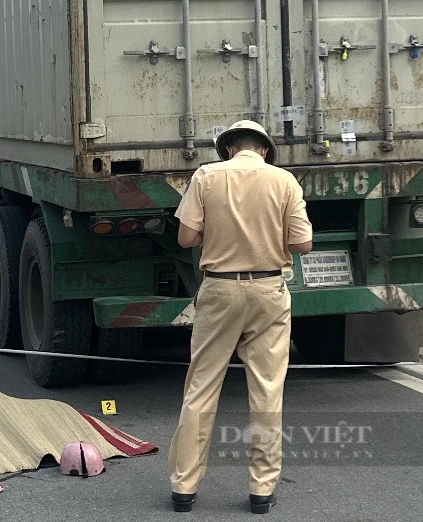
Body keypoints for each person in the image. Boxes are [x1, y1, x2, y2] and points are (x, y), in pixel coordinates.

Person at [168, 120, 313, 514]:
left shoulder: (206, 176)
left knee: (201, 386)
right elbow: (302, 243)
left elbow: (186, 239)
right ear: (265, 150)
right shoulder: (284, 182)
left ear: (230, 148)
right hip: (268, 290)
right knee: (266, 389)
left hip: (218, 289)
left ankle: (184, 487)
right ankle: (261, 491)